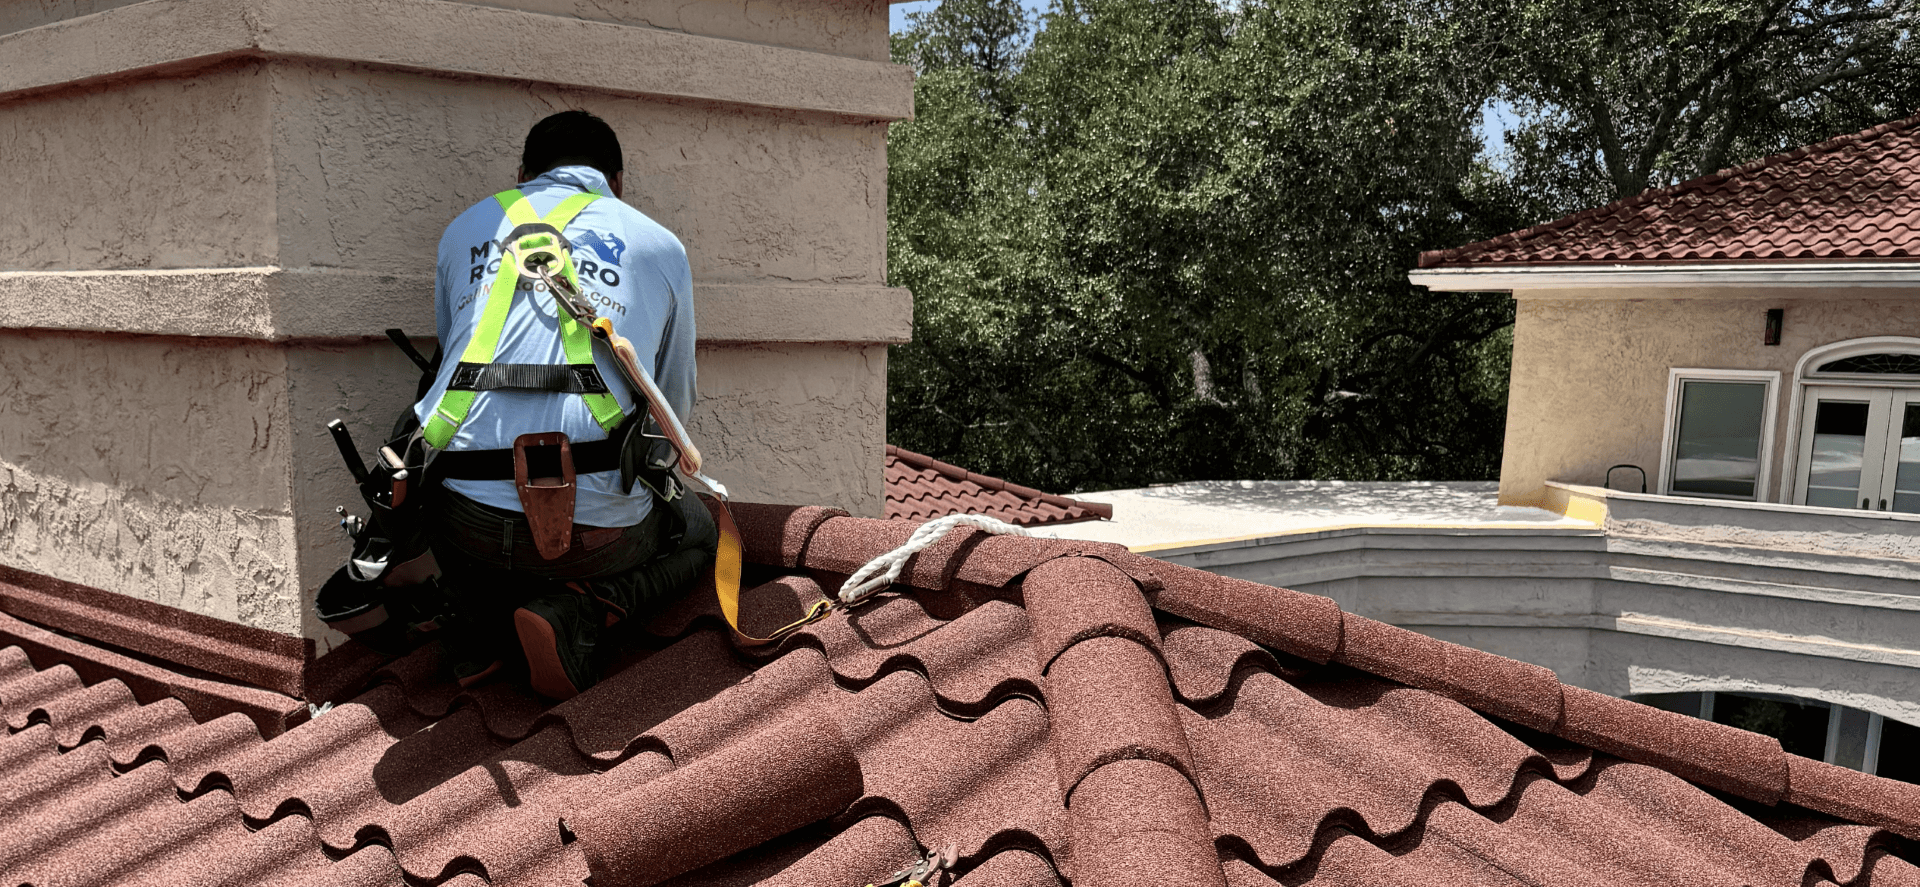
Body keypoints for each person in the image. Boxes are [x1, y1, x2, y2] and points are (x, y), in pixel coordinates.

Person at [411, 110, 716, 700]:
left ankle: (474, 630)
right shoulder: (658, 244)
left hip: (463, 526)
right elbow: (674, 406)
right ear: (617, 183)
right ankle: (581, 609)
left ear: (522, 175)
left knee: (450, 481)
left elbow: (451, 368)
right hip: (592, 538)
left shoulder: (462, 231)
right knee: (701, 533)